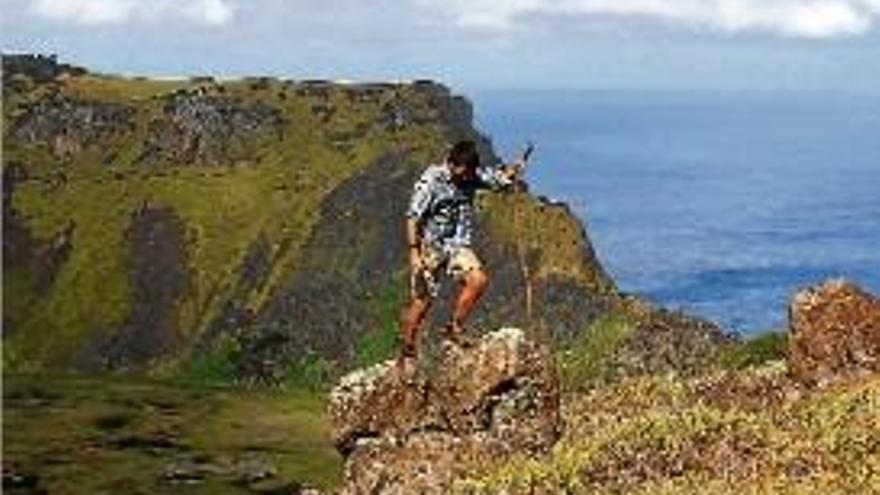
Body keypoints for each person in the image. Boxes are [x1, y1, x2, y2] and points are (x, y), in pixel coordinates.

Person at [398, 140, 526, 369]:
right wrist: (414, 253)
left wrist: (512, 172)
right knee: (422, 301)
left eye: (470, 174)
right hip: (431, 246)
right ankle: (407, 348)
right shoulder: (431, 181)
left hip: (458, 245)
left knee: (478, 280)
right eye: (463, 173)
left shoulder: (470, 175)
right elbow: (413, 217)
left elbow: (496, 181)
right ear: (452, 164)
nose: (467, 179)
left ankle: (455, 328)